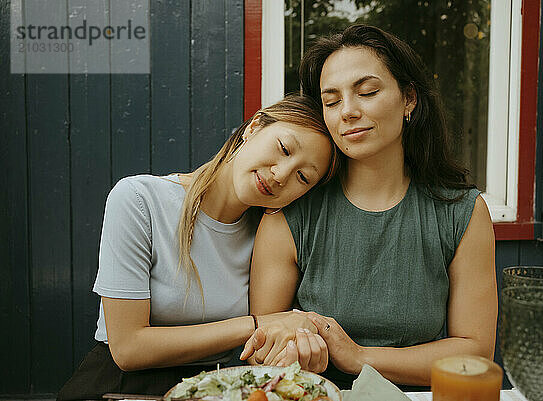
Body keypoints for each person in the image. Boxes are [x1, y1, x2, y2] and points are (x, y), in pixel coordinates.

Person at [243, 25, 497, 390]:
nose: (347, 111)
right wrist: (293, 349)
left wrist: (359, 356)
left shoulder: (462, 212)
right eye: (331, 101)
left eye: (367, 92)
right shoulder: (291, 209)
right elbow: (261, 345)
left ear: (409, 99)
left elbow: (473, 355)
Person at [57, 95, 339, 400]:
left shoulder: (268, 236)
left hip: (213, 389)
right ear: (254, 127)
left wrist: (302, 350)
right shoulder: (138, 199)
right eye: (284, 149)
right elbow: (127, 349)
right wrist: (257, 323)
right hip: (120, 388)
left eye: (302, 177)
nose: (281, 175)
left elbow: (262, 348)